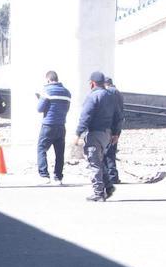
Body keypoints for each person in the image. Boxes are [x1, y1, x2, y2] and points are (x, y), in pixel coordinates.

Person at [72, 71, 123, 202]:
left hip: (95, 133)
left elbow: (86, 116)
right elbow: (119, 116)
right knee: (99, 161)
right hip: (107, 134)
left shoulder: (93, 97)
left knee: (94, 162)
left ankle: (98, 193)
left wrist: (78, 133)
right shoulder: (111, 96)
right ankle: (109, 186)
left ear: (93, 83)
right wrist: (116, 133)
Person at [36, 70, 72, 184]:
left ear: (48, 79)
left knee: (41, 148)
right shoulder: (67, 92)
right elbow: (66, 108)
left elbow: (40, 109)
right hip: (61, 125)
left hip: (48, 125)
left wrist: (39, 99)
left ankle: (44, 175)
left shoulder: (46, 91)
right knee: (59, 152)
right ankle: (58, 177)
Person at [104, 76, 124, 185]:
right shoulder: (118, 93)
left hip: (110, 126)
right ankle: (112, 176)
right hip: (117, 126)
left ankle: (112, 176)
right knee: (111, 150)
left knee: (108, 152)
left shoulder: (109, 93)